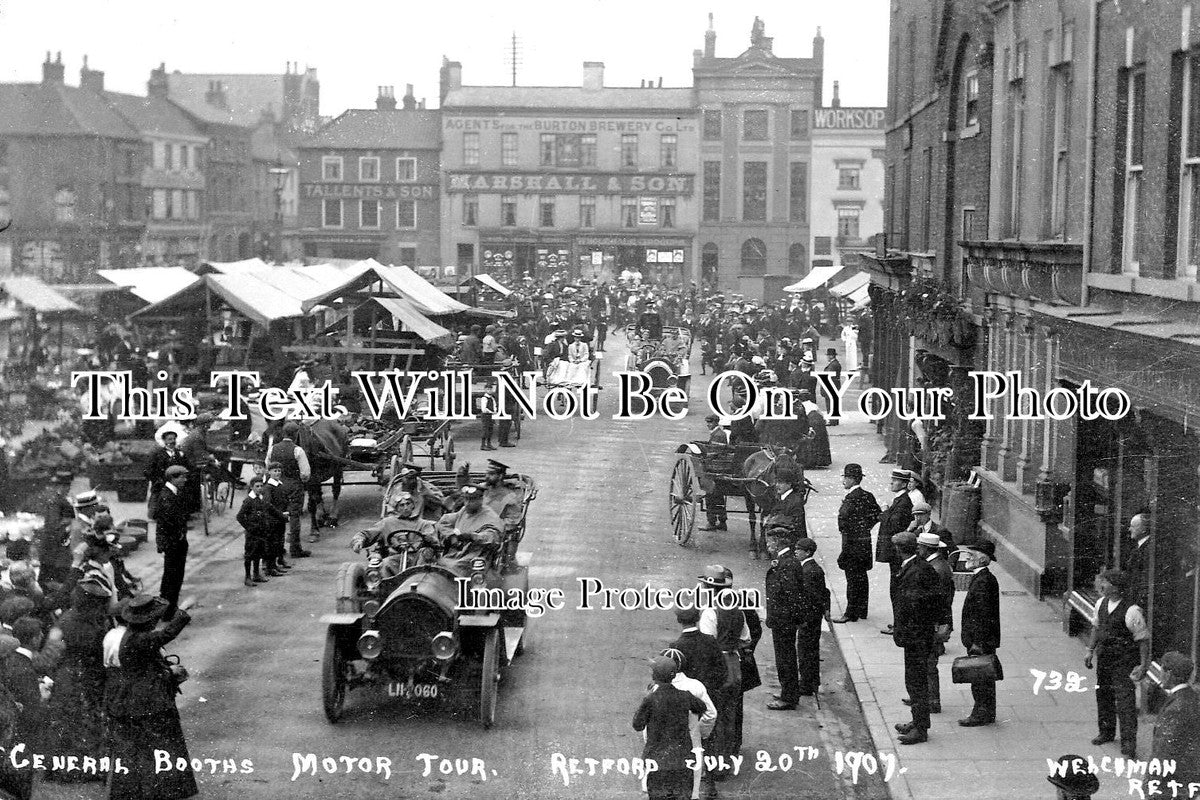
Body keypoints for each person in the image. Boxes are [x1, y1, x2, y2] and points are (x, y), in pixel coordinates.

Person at [104, 595, 198, 800]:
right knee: (160, 746)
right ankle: (161, 790)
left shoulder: (130, 636)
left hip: (134, 699)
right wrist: (183, 611)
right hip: (150, 700)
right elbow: (167, 634)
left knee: (141, 750)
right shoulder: (141, 639)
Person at [44, 577, 111, 783]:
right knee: (85, 722)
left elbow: (51, 654)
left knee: (70, 722)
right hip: (82, 677)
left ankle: (65, 768)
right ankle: (85, 768)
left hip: (71, 676)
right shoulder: (85, 621)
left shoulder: (65, 621)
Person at [1084, 568, 1150, 758]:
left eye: (1105, 583)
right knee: (1103, 694)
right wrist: (1090, 650)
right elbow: (1096, 627)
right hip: (1104, 657)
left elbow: (1142, 639)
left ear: (1116, 588)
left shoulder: (1132, 611)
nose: (1101, 586)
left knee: (1125, 701)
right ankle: (1106, 732)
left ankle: (1129, 744)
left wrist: (1143, 665)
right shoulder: (1100, 603)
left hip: (1124, 660)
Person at [696, 566, 747, 780]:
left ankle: (713, 766)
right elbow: (746, 639)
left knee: (712, 714)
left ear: (711, 588)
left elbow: (707, 643)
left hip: (717, 667)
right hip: (734, 666)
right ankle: (726, 761)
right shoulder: (739, 610)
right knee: (729, 716)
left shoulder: (710, 612)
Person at [632, 656, 707, 800]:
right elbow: (701, 707)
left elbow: (637, 724)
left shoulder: (651, 699)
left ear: (655, 676)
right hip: (683, 759)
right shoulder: (685, 696)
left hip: (657, 760)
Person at [891, 531, 940, 744]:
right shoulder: (916, 566)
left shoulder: (917, 571)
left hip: (917, 637)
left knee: (917, 683)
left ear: (900, 550)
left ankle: (920, 728)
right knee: (914, 682)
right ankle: (917, 720)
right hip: (917, 635)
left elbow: (915, 607)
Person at [657, 648, 717, 800]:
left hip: (663, 745)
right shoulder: (696, 686)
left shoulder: (656, 689)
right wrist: (700, 733)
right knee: (691, 791)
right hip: (691, 743)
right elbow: (711, 714)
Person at [0, 617, 50, 800]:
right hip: (20, 738)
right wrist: (42, 698)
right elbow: (31, 711)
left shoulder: (11, 663)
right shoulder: (23, 668)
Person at [957, 540, 1001, 726]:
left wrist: (977, 642)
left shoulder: (983, 581)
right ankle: (986, 712)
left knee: (980, 678)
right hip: (982, 640)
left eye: (972, 554)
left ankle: (981, 714)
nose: (967, 556)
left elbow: (982, 615)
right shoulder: (982, 578)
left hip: (980, 641)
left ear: (982, 559)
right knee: (984, 677)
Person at [832, 464, 880, 623]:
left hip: (851, 543)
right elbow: (877, 514)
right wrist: (865, 528)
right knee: (861, 577)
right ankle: (862, 610)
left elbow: (844, 522)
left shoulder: (851, 499)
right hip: (864, 542)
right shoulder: (868, 495)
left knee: (852, 579)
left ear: (852, 479)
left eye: (845, 477)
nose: (843, 480)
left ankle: (850, 613)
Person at [352, 493, 440, 576]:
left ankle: (419, 582)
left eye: (408, 504)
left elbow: (433, 538)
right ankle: (385, 587)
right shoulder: (387, 523)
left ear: (413, 505)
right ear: (396, 508)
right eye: (402, 505)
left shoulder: (424, 524)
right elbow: (366, 534)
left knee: (426, 553)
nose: (406, 508)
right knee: (385, 563)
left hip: (418, 558)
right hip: (395, 558)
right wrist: (359, 541)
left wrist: (429, 538)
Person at [915, 531, 954, 715]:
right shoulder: (937, 564)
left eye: (919, 547)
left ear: (925, 548)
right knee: (926, 662)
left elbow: (940, 600)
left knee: (929, 663)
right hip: (936, 622)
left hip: (934, 624)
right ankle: (924, 696)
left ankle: (932, 701)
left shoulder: (937, 569)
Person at [1151, 651, 1200, 789]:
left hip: (1172, 782)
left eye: (1161, 669)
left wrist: (1152, 783)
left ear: (1169, 674)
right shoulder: (1192, 696)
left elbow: (1164, 751)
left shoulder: (1175, 709)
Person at [876, 468, 915, 636]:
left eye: (895, 480)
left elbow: (893, 525)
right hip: (895, 553)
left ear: (904, 484)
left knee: (897, 589)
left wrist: (884, 511)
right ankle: (897, 622)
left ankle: (899, 624)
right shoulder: (899, 500)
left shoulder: (904, 502)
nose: (891, 482)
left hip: (897, 554)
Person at [266, 423, 312, 555]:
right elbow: (305, 473)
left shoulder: (272, 449)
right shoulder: (298, 450)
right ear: (296, 434)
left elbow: (268, 465)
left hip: (277, 486)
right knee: (294, 516)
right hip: (293, 487)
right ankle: (295, 548)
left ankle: (277, 549)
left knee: (277, 517)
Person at [435, 486, 503, 574]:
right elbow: (444, 521)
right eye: (466, 499)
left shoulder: (490, 516)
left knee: (453, 569)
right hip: (457, 552)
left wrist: (472, 536)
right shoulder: (464, 510)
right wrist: (451, 535)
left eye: (472, 500)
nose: (467, 503)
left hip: (477, 555)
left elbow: (492, 536)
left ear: (480, 500)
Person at [154, 465, 191, 617]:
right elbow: (169, 520)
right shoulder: (167, 496)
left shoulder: (173, 493)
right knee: (172, 576)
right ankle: (168, 611)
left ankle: (169, 607)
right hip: (173, 543)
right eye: (182, 477)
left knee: (174, 575)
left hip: (175, 541)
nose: (185, 479)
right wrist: (179, 534)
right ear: (173, 478)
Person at [237, 476, 286, 586]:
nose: (259, 488)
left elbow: (271, 509)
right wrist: (249, 527)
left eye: (261, 486)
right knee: (249, 555)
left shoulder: (261, 499)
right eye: (257, 486)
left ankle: (256, 574)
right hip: (252, 534)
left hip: (261, 532)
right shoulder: (248, 501)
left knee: (258, 554)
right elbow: (240, 516)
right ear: (252, 487)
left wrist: (283, 517)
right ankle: (247, 577)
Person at [143, 427, 189, 517]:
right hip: (161, 482)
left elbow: (185, 466)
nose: (172, 441)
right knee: (157, 502)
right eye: (170, 439)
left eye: (174, 439)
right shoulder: (158, 454)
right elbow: (148, 469)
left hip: (175, 482)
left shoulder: (179, 453)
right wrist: (156, 479)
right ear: (164, 441)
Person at [262, 462, 297, 567]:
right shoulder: (269, 487)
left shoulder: (280, 485)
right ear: (269, 472)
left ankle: (280, 560)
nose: (277, 473)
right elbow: (268, 504)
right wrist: (280, 514)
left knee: (280, 540)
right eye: (275, 471)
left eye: (279, 471)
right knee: (273, 541)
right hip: (274, 518)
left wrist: (287, 511)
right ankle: (270, 565)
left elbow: (286, 500)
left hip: (281, 517)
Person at [762, 466, 808, 540]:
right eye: (776, 482)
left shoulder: (795, 501)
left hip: (789, 543)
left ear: (789, 484)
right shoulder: (779, 498)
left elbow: (795, 524)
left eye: (780, 483)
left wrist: (771, 520)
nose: (777, 485)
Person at [700, 415, 728, 532]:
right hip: (720, 466)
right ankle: (722, 521)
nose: (708, 424)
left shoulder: (718, 435)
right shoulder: (719, 433)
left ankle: (711, 522)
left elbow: (716, 452)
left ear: (716, 422)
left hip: (715, 468)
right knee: (719, 496)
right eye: (707, 422)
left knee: (710, 495)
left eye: (710, 422)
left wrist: (704, 457)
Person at [1122, 513, 1150, 606]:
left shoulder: (1149, 549)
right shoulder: (1138, 547)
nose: (1129, 529)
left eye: (1133, 526)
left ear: (1144, 529)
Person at [797, 390, 830, 468]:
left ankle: (808, 460)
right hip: (819, 423)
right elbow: (821, 415)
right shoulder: (814, 405)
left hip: (810, 422)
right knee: (820, 441)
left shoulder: (800, 405)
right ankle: (821, 460)